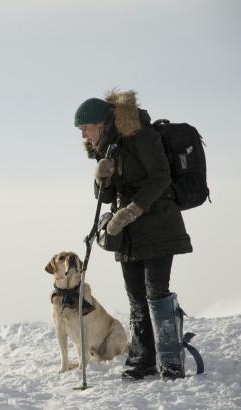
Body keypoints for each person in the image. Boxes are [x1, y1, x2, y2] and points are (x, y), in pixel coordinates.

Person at [74, 89, 193, 381]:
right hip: (127, 233)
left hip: (158, 225)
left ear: (100, 122)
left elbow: (161, 176)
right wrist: (100, 178)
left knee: (156, 292)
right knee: (136, 297)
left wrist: (131, 211)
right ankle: (142, 360)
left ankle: (171, 360)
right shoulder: (107, 147)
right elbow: (107, 196)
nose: (84, 136)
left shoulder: (139, 134)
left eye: (85, 128)